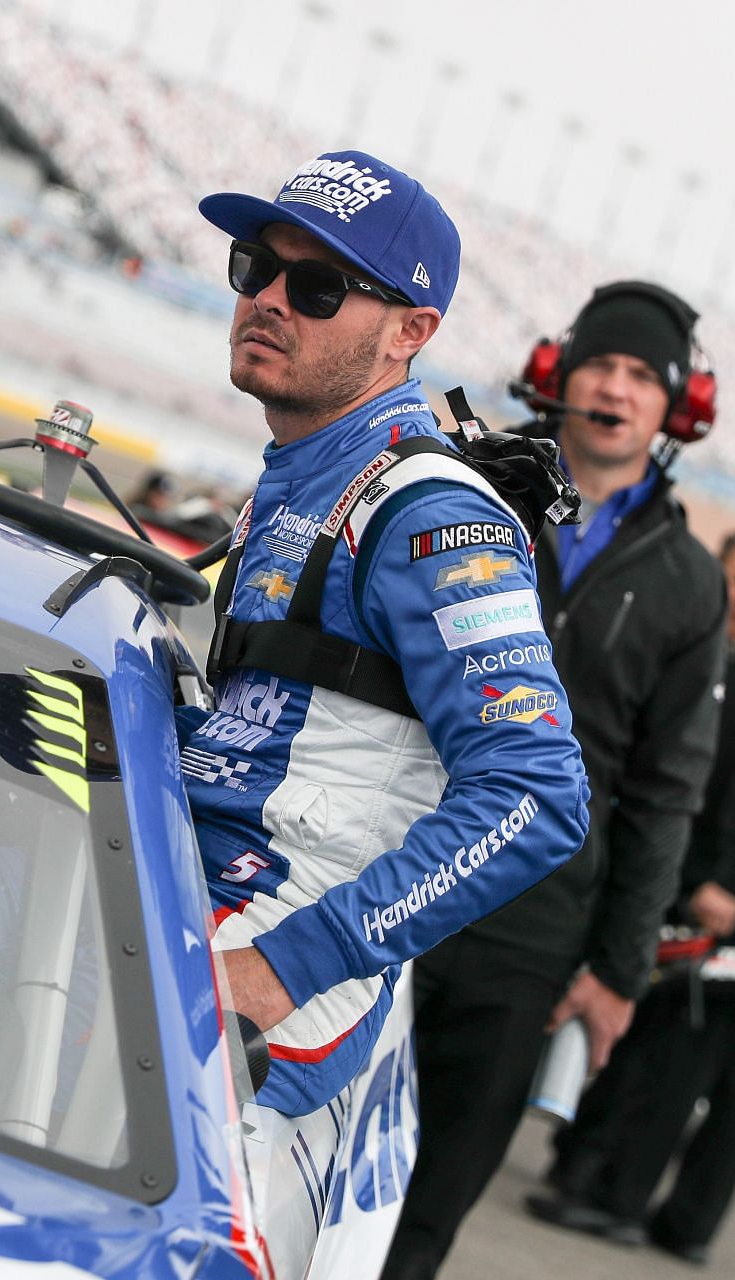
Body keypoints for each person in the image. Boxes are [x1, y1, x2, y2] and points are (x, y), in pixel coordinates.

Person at [182, 148, 589, 1124]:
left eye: (318, 285)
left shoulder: (428, 508)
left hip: (266, 954)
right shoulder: (302, 469)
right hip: (181, 872)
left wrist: (283, 967)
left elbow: (537, 793)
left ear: (412, 331)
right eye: (257, 267)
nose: (272, 298)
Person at [383, 283, 728, 1278]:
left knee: (427, 1211)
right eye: (601, 366)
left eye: (640, 376)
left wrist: (620, 970)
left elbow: (668, 788)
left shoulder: (689, 583)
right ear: (558, 377)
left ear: (677, 408)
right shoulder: (458, 489)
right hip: (392, 868)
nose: (616, 389)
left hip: (534, 929)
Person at [519, 531, 735, 1267]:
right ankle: (634, 1198)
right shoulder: (706, 660)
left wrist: (709, 884)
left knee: (673, 1056)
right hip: (689, 896)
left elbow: (691, 797)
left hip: (705, 910)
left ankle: (614, 1194)